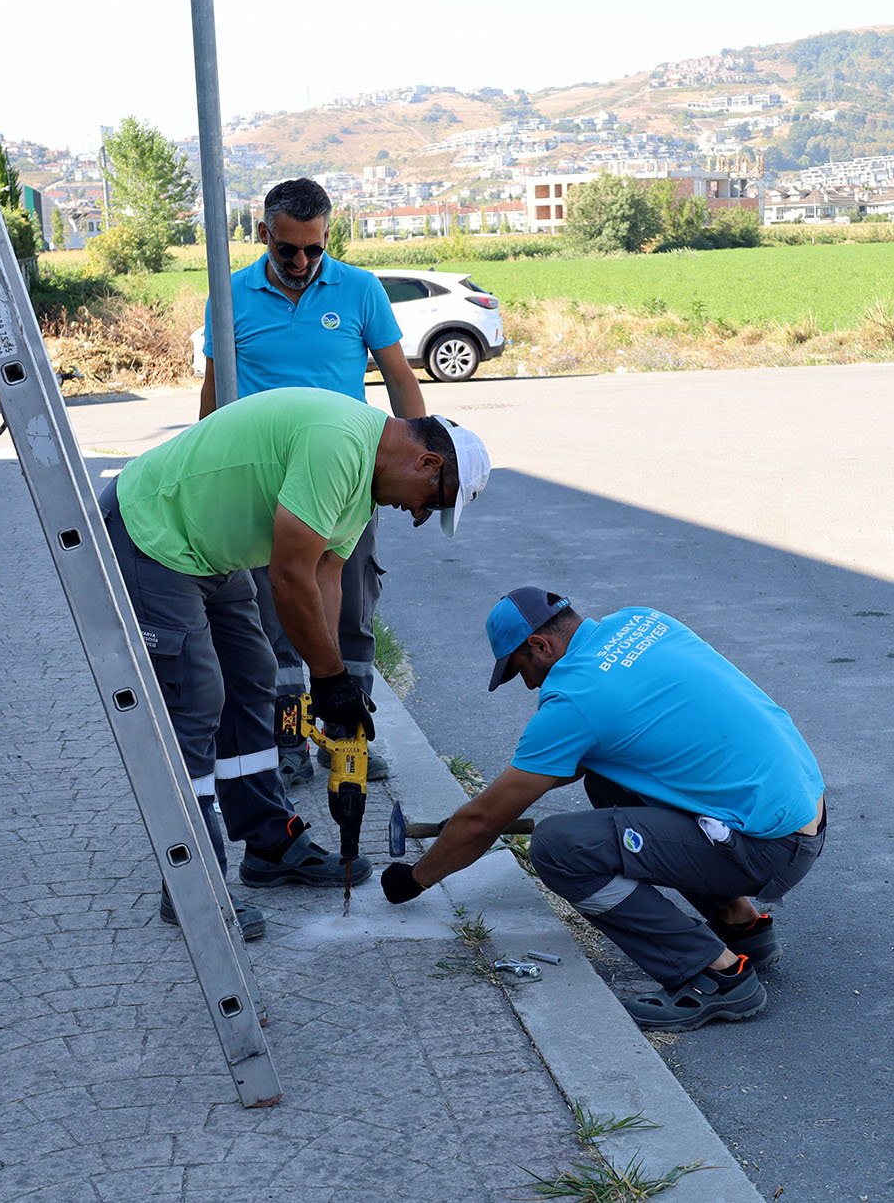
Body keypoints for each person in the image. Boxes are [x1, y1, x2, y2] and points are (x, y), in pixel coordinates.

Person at [101, 386, 489, 932]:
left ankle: (269, 844)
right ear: (428, 462)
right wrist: (328, 677)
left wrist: (332, 682)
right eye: (432, 502)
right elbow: (288, 576)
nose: (418, 513)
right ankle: (192, 886)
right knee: (196, 700)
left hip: (208, 552)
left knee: (253, 680)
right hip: (152, 532)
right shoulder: (338, 444)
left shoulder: (362, 485)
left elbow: (325, 576)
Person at [382, 588, 827, 1032]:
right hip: (806, 813)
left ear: (540, 645)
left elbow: (483, 821)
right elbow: (587, 758)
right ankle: (742, 925)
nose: (529, 684)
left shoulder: (576, 700)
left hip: (767, 847)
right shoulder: (642, 621)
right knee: (607, 780)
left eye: (520, 669)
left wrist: (415, 879)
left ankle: (716, 975)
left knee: (559, 849)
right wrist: (506, 800)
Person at [201, 177, 424, 788]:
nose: (301, 262)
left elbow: (399, 378)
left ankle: (346, 739)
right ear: (263, 234)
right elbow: (214, 393)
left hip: (347, 480)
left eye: (314, 248)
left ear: (328, 236)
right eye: (287, 249)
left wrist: (419, 455)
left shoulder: (360, 289)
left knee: (350, 609)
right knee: (273, 616)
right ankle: (289, 741)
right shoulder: (230, 296)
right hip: (263, 485)